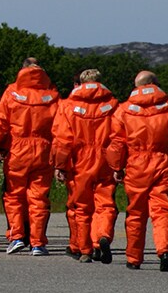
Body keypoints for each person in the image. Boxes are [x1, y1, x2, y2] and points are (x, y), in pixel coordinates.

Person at [106, 71, 168, 272]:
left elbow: (117, 143)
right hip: (162, 161)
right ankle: (164, 252)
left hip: (136, 164)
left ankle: (134, 258)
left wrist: (117, 167)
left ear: (137, 87)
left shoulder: (124, 110)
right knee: (162, 210)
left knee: (136, 212)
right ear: (155, 84)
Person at [0, 58, 60, 256]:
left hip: (17, 151)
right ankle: (38, 243)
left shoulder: (12, 93)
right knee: (38, 198)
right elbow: (60, 127)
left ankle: (17, 237)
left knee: (14, 196)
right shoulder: (52, 95)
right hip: (44, 150)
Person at [51, 68, 119, 264]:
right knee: (105, 204)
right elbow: (120, 136)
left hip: (79, 161)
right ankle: (102, 237)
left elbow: (63, 140)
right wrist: (119, 164)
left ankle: (85, 250)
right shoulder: (113, 105)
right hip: (105, 160)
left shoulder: (67, 106)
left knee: (81, 207)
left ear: (80, 83)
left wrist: (60, 166)